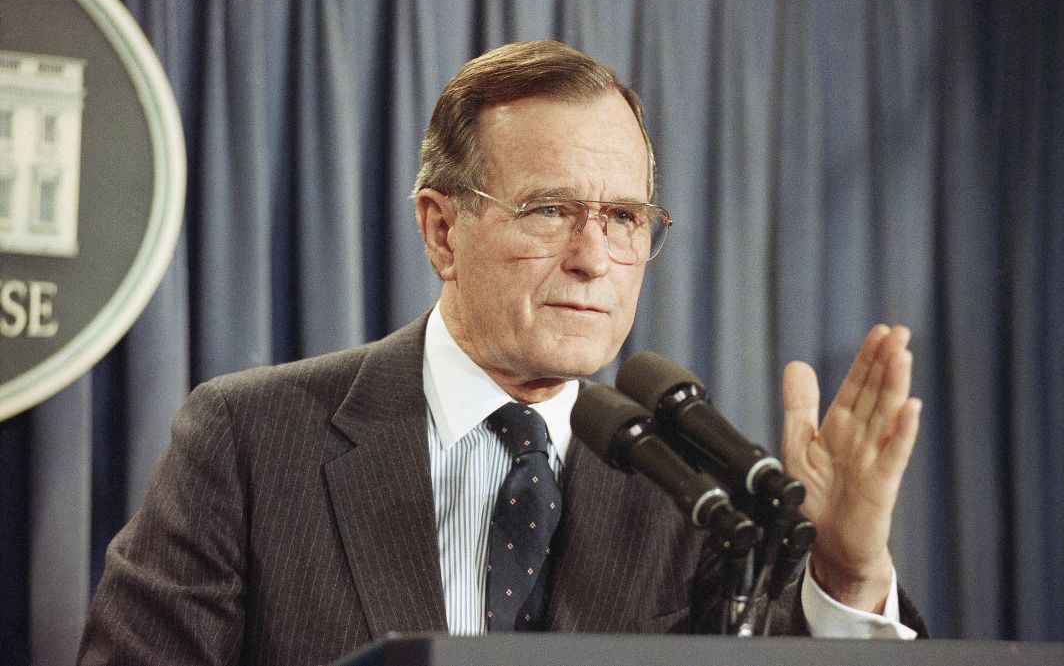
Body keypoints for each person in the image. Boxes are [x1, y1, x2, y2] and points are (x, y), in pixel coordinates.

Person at [79, 40, 925, 665]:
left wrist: (847, 573)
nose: (593, 258)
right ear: (442, 230)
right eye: (550, 210)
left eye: (624, 218)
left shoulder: (691, 486)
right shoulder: (250, 437)